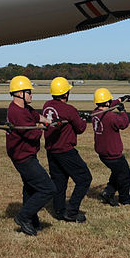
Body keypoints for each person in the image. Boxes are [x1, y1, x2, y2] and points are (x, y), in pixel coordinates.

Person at [6, 75, 55, 236]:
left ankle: (32, 221)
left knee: (30, 188)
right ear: (20, 93)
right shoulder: (16, 112)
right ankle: (23, 217)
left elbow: (36, 116)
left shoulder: (25, 108)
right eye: (29, 92)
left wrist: (46, 121)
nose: (31, 95)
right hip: (23, 157)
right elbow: (31, 134)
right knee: (48, 188)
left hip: (28, 154)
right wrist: (41, 127)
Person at [41, 76, 92, 223]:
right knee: (84, 179)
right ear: (65, 94)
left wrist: (76, 117)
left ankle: (59, 210)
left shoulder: (47, 105)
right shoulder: (69, 110)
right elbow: (80, 128)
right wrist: (82, 119)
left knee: (59, 181)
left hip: (52, 150)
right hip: (65, 151)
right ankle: (71, 211)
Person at [91, 88, 130, 206]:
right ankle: (125, 200)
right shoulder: (110, 117)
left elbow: (109, 105)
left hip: (102, 153)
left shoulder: (95, 113)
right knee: (125, 176)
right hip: (113, 154)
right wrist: (123, 111)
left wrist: (120, 99)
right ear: (106, 103)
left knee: (117, 173)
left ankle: (108, 192)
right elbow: (124, 124)